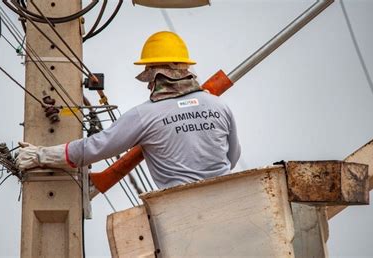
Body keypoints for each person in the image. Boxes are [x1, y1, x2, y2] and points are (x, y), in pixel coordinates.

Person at [16, 31, 241, 189]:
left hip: (179, 207)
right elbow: (232, 157)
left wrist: (40, 155)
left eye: (148, 77)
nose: (148, 85)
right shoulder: (218, 106)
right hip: (227, 199)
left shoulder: (145, 115)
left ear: (156, 75)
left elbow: (95, 147)